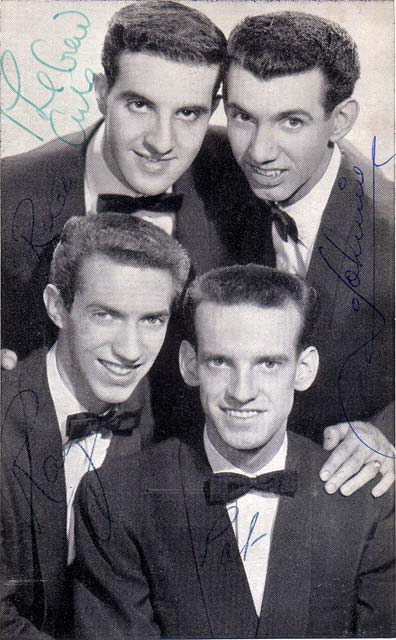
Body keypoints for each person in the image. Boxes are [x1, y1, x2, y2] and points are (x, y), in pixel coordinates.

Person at [72, 265, 395, 639]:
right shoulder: (115, 499)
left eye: (269, 364)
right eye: (220, 362)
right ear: (190, 364)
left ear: (304, 369)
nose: (242, 392)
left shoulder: (368, 500)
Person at [222, 11, 395, 495]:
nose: (259, 151)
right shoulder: (209, 167)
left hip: (341, 494)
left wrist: (387, 433)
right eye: (242, 117)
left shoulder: (389, 231)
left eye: (291, 122)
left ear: (339, 121)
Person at [0, 213, 190, 639]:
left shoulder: (151, 411)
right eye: (105, 315)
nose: (130, 350)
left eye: (152, 320)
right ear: (56, 307)